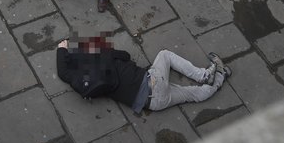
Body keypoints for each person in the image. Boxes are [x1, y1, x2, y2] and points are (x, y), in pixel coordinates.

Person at [56, 36, 231, 113]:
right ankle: (204, 76)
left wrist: (61, 52)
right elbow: (126, 55)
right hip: (153, 83)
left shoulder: (88, 83)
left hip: (153, 104)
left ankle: (219, 77)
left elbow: (64, 73)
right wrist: (64, 47)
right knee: (165, 55)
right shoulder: (104, 57)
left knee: (190, 95)